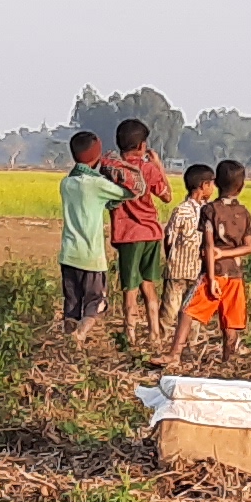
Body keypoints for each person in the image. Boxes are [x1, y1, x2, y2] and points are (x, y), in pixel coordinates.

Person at [106, 119, 174, 345]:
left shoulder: (114, 169)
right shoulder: (148, 168)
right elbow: (166, 196)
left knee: (129, 287)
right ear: (143, 146)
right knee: (148, 284)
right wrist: (159, 165)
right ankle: (154, 333)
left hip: (128, 234)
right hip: (151, 233)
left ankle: (130, 333)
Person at [184, 159, 251, 361]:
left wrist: (213, 274)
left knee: (188, 311)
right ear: (241, 186)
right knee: (231, 321)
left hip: (215, 271)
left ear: (215, 183)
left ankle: (174, 352)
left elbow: (208, 246)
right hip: (235, 274)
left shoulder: (210, 210)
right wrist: (228, 253)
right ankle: (228, 360)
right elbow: (248, 247)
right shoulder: (243, 213)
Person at [58, 131, 128, 330]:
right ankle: (81, 334)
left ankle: (70, 341)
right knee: (96, 303)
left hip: (68, 255)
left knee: (72, 304)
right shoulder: (97, 184)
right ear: (97, 154)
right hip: (91, 257)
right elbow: (125, 193)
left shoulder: (66, 183)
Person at [160, 161, 215, 354]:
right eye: (211, 184)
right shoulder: (182, 210)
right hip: (178, 269)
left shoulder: (209, 210)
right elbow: (169, 237)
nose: (213, 188)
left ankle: (188, 346)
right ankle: (165, 343)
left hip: (198, 270)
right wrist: (170, 259)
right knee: (171, 309)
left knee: (191, 310)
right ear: (203, 186)